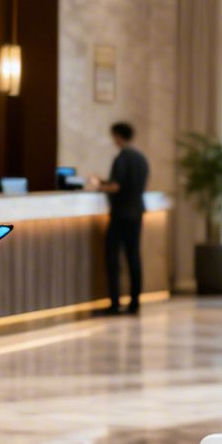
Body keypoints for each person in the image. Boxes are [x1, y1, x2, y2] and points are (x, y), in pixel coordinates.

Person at [89, 122, 149, 315]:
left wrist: (99, 186)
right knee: (134, 257)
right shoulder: (141, 158)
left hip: (121, 214)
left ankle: (115, 303)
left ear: (117, 136)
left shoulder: (122, 157)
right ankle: (134, 302)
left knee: (113, 258)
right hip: (137, 212)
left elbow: (116, 187)